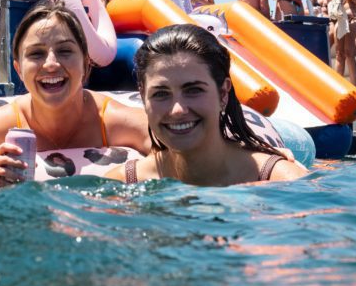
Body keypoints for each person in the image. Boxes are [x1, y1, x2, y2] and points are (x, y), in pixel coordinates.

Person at [0, 0, 152, 185]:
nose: (51, 64)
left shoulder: (111, 120)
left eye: (65, 51)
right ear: (19, 70)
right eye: (36, 54)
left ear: (87, 65)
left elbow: (178, 155)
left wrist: (127, 174)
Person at [106, 25, 307, 186]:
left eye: (193, 90)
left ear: (223, 93)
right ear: (143, 97)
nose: (177, 110)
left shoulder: (280, 180)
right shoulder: (123, 184)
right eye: (160, 94)